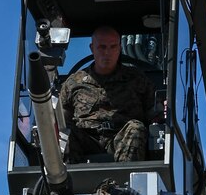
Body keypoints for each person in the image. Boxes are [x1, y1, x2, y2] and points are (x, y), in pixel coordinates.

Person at [59, 25, 157, 162]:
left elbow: (153, 113)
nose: (107, 53)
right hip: (86, 140)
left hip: (121, 139)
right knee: (64, 134)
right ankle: (65, 180)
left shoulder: (136, 79)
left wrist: (162, 111)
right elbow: (62, 119)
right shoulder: (74, 83)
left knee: (136, 127)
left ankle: (126, 178)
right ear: (92, 48)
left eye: (113, 47)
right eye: (102, 47)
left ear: (119, 49)